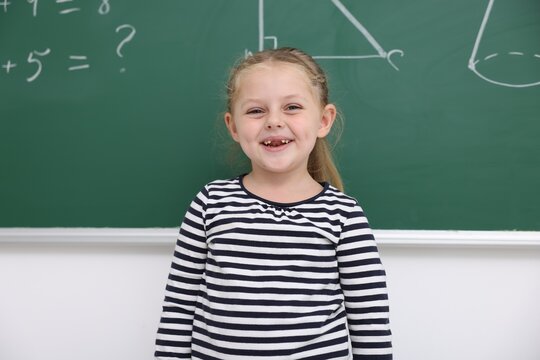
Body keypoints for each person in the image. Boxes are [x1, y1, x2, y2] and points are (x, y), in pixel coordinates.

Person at [155, 47, 392, 360]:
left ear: (323, 120)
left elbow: (369, 317)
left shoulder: (343, 215)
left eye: (292, 107)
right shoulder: (211, 203)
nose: (274, 121)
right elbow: (179, 306)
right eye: (256, 111)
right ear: (234, 126)